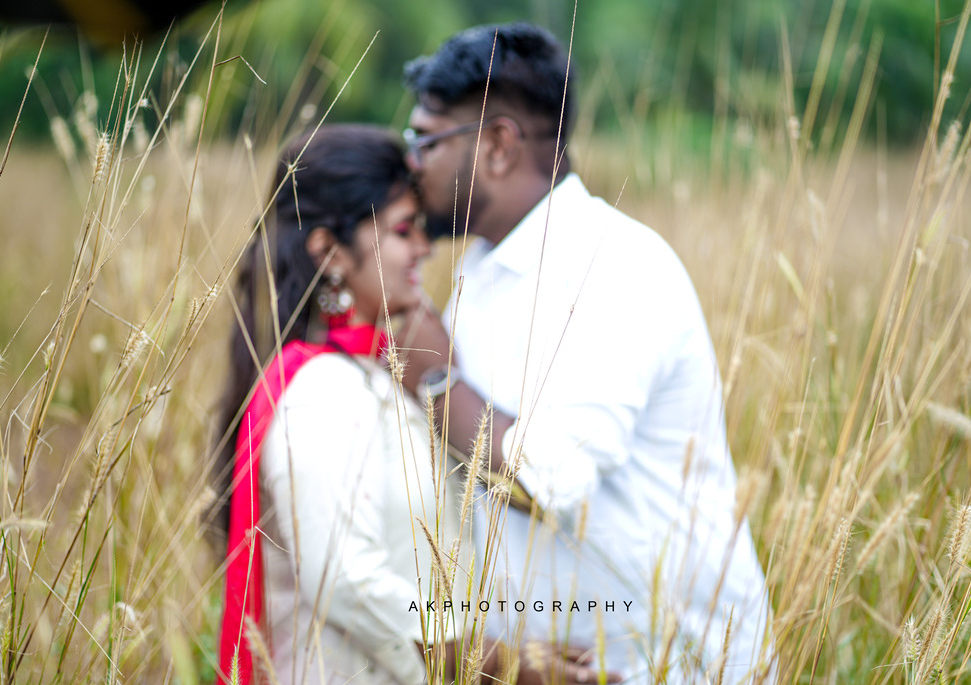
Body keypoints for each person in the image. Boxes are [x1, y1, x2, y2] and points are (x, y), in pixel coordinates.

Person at [398, 23, 774, 684]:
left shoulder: (615, 267)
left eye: (426, 139)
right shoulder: (482, 267)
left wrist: (433, 379)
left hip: (667, 663)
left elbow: (550, 481)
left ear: (497, 145)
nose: (411, 161)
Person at [212, 124, 611, 685]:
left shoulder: (375, 377)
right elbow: (345, 579)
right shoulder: (320, 391)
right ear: (329, 252)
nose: (425, 248)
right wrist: (497, 663)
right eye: (403, 230)